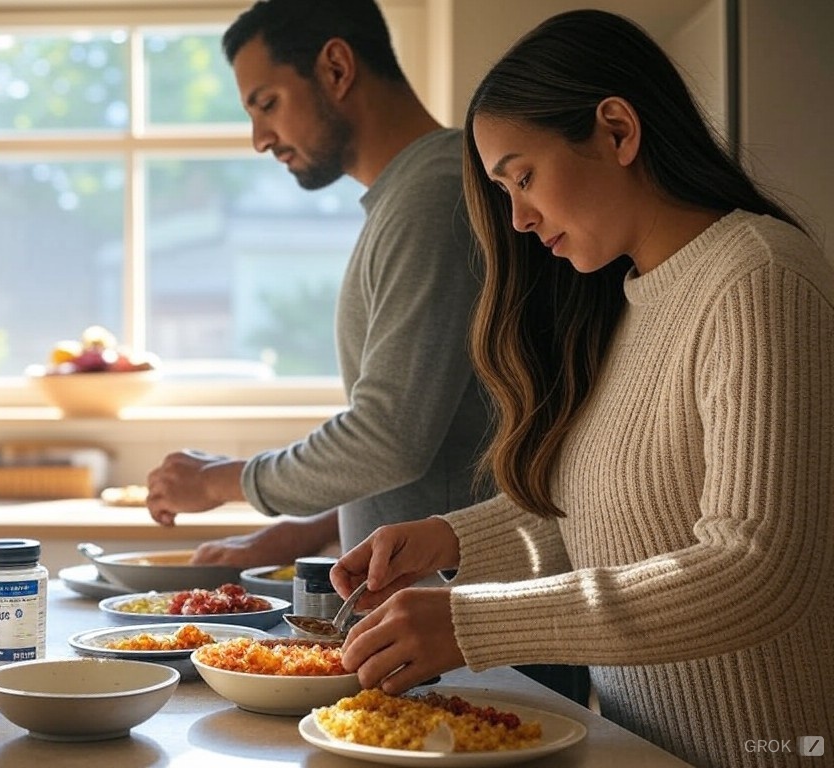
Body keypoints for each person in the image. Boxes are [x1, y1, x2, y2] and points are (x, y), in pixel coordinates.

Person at [332, 9, 832, 768]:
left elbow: (754, 569)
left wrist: (474, 620)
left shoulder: (759, 276)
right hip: (643, 749)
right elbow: (608, 525)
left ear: (618, 131)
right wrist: (452, 540)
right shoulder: (625, 303)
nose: (520, 219)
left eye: (522, 178)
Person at [145, 0, 590, 705]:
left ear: (336, 67)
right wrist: (301, 530)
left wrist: (224, 481)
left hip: (471, 641)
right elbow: (441, 428)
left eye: (267, 103)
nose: (259, 136)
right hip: (428, 633)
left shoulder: (436, 198)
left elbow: (390, 436)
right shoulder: (409, 196)